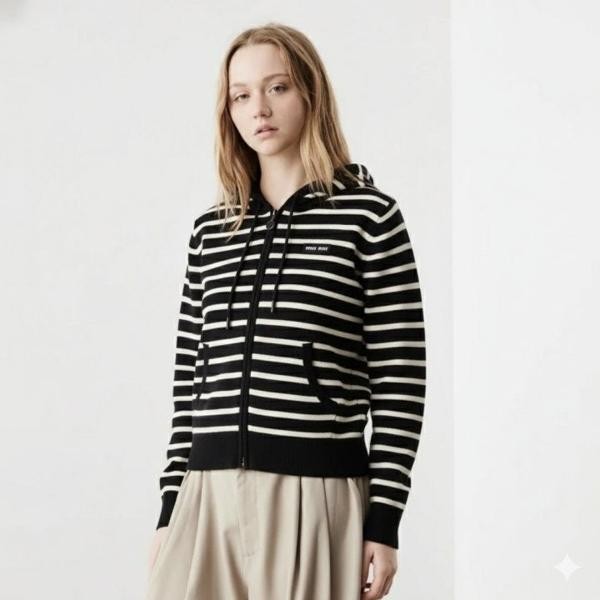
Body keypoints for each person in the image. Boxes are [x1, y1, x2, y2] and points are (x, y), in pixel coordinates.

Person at [146, 22, 426, 600]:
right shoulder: (211, 232)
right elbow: (191, 380)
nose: (259, 109)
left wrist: (384, 521)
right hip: (206, 496)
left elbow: (399, 381)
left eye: (277, 87)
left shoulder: (369, 219)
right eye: (241, 95)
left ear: (310, 93)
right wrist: (171, 507)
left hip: (314, 492)